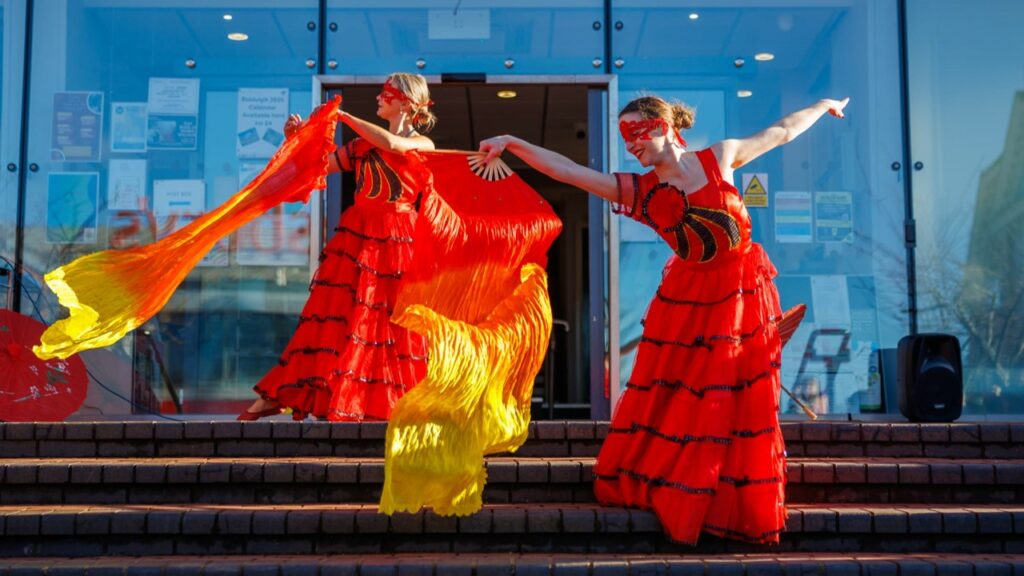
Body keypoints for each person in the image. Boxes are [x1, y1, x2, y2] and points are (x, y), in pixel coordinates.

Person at [479, 94, 848, 544]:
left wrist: (823, 104)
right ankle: (687, 489)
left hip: (740, 292)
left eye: (636, 132)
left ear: (663, 126)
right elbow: (569, 172)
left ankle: (729, 494)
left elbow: (783, 130)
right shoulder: (637, 190)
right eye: (625, 136)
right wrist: (513, 142)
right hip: (689, 303)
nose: (630, 145)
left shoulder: (721, 157)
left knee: (737, 394)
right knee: (685, 396)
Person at [239, 73, 438, 421]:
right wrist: (296, 140)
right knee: (336, 318)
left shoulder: (422, 143)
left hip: (398, 239)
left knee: (392, 324)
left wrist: (344, 117)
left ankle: (386, 404)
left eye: (386, 93)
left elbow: (395, 146)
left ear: (406, 102)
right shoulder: (361, 147)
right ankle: (287, 393)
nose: (379, 98)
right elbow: (314, 168)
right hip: (358, 235)